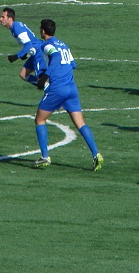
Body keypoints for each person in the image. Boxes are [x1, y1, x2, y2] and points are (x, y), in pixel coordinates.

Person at [32, 19, 103, 171]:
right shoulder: (64, 44)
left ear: (43, 31)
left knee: (39, 120)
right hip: (72, 89)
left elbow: (56, 57)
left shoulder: (47, 45)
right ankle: (96, 154)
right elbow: (73, 65)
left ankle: (45, 156)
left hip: (58, 88)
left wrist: (46, 76)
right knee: (80, 123)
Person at [0, 7, 45, 86]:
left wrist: (16, 56)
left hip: (38, 53)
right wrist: (26, 55)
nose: (0, 19)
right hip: (34, 51)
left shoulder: (17, 28)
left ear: (10, 18)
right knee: (23, 74)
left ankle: (52, 92)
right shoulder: (15, 27)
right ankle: (48, 89)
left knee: (41, 80)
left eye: (3, 17)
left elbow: (29, 45)